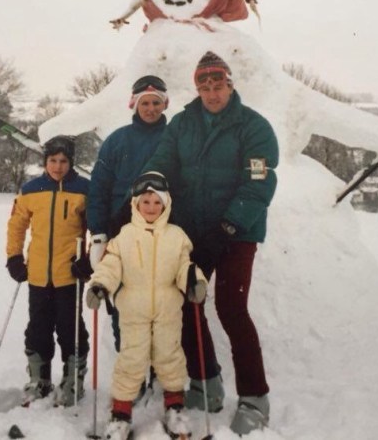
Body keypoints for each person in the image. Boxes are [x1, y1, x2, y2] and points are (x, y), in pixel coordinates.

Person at [143, 51, 279, 435]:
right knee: (186, 303)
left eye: (219, 85)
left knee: (232, 308)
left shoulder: (253, 126)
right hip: (193, 231)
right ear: (197, 89)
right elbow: (162, 163)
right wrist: (143, 193)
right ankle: (206, 384)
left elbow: (259, 182)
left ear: (230, 85)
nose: (212, 93)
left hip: (238, 232)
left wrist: (227, 228)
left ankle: (254, 398)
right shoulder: (182, 124)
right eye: (205, 87)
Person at [85, 172, 207, 440]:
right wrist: (100, 285)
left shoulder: (177, 236)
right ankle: (120, 414)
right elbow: (111, 265)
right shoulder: (125, 236)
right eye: (145, 202)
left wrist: (194, 282)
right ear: (136, 204)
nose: (151, 207)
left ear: (166, 204)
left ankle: (175, 408)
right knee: (131, 359)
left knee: (170, 356)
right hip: (133, 311)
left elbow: (184, 266)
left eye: (156, 202)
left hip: (167, 310)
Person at [79, 75, 169, 396]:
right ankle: (132, 371)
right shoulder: (117, 141)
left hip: (162, 234)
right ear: (134, 104)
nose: (150, 108)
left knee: (161, 302)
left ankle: (160, 370)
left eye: (156, 102)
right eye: (145, 102)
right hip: (120, 236)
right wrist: (99, 233)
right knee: (124, 304)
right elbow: (99, 190)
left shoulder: (174, 138)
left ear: (164, 104)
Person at [5, 135, 91, 407]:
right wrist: (14, 257)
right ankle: (39, 379)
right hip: (38, 274)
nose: (58, 166)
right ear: (45, 161)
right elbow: (17, 225)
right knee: (38, 327)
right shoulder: (31, 189)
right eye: (53, 160)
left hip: (70, 274)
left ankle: (73, 380)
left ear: (71, 162)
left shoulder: (84, 189)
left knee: (70, 328)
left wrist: (89, 259)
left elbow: (98, 227)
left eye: (63, 161)